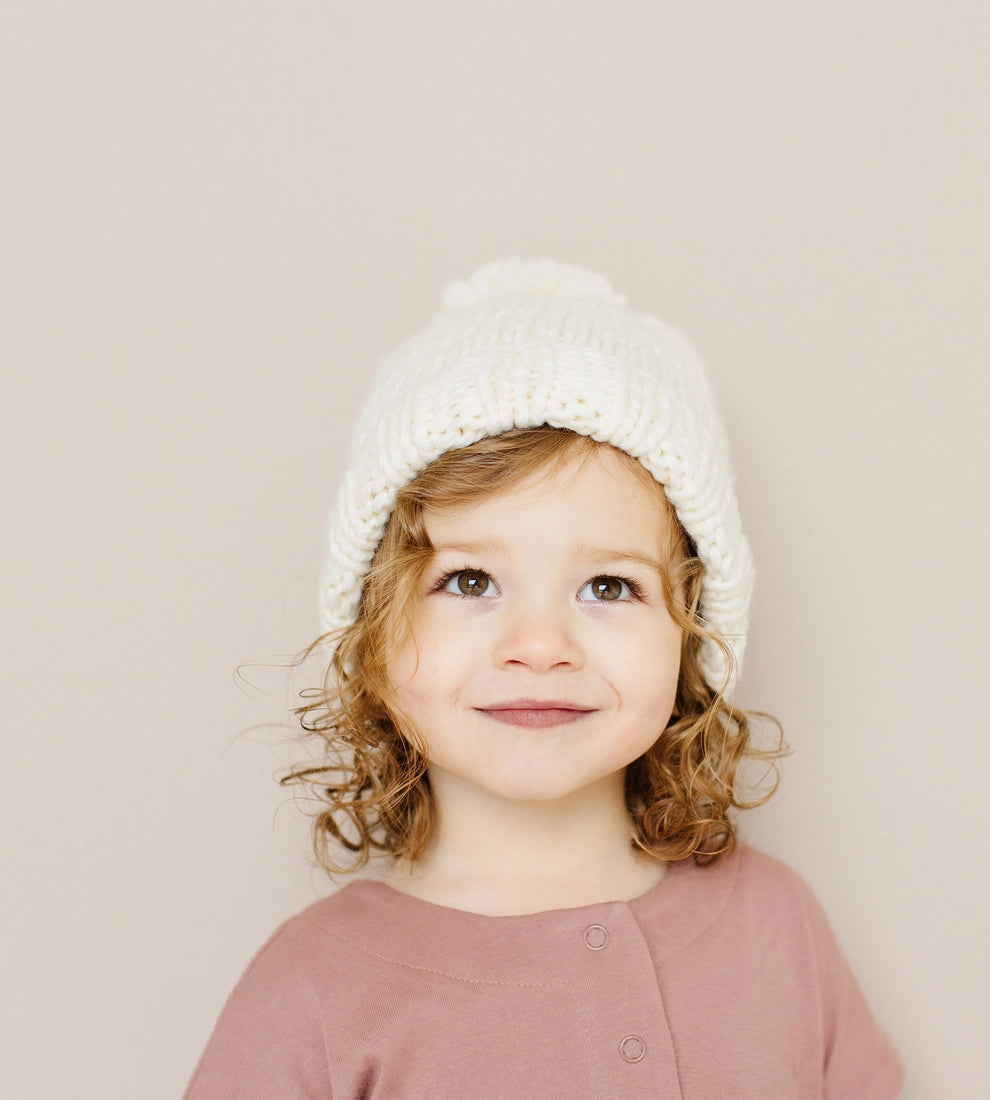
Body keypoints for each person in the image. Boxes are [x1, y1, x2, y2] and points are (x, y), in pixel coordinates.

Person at [185, 259, 903, 1098]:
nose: (538, 644)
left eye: (608, 587)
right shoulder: (310, 992)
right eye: (469, 581)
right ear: (374, 636)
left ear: (691, 635)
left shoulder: (776, 925)